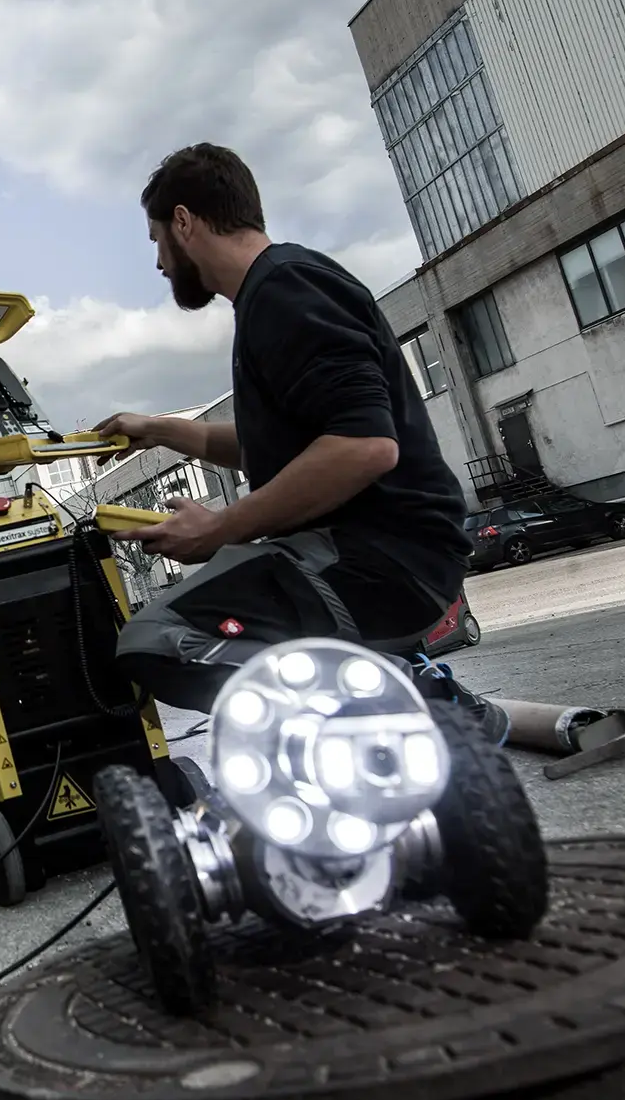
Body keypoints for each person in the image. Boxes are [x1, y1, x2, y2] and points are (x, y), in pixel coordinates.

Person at [97, 143, 505, 740]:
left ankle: (418, 697)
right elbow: (275, 444)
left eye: (157, 239)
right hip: (380, 555)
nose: (159, 261)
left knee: (156, 643)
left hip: (382, 561)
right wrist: (157, 429)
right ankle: (403, 684)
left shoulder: (286, 290)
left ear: (183, 222)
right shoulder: (278, 288)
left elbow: (365, 448)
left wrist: (220, 528)